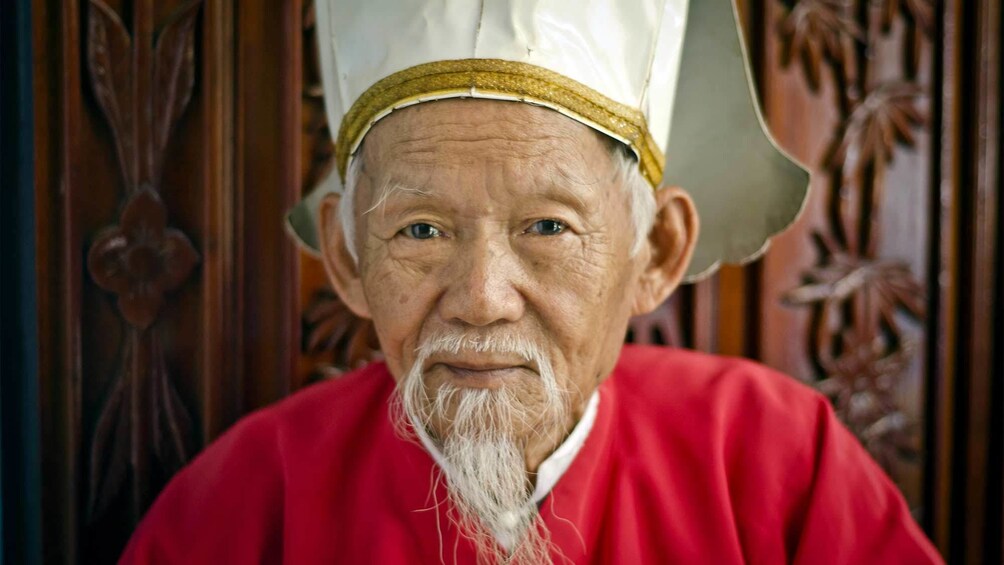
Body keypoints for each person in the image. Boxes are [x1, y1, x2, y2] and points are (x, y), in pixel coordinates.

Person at [121, 0, 943, 562]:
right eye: (421, 230)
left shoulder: (779, 465)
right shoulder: (240, 506)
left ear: (654, 252)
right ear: (347, 261)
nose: (481, 298)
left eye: (546, 226)